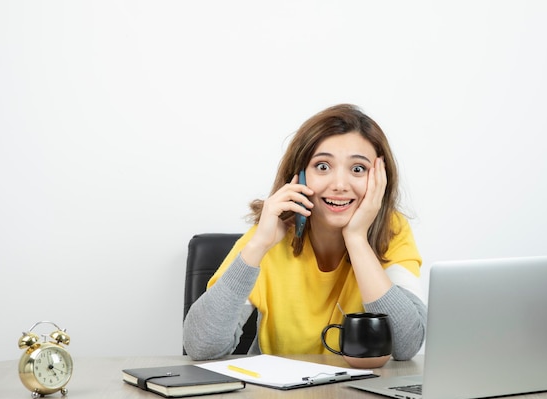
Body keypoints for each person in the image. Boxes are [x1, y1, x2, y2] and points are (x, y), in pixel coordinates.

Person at [183, 104, 426, 361]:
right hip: (277, 398)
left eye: (358, 169)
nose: (340, 185)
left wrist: (356, 240)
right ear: (298, 176)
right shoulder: (268, 235)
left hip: (361, 396)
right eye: (322, 166)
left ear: (380, 179)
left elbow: (406, 345)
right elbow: (202, 346)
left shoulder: (392, 230)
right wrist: (258, 246)